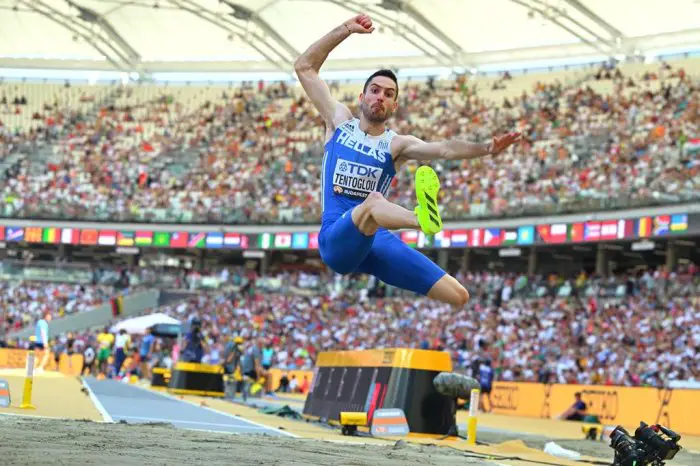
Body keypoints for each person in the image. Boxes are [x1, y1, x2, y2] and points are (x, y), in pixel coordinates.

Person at [294, 14, 520, 305]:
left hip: (374, 240)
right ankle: (421, 220)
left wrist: (485, 148)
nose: (380, 97)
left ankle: (421, 220)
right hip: (336, 240)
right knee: (374, 202)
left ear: (395, 105)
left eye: (388, 94)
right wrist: (345, 30)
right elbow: (305, 67)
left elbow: (445, 150)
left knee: (459, 296)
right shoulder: (338, 122)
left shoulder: (397, 144)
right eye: (375, 91)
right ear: (362, 96)